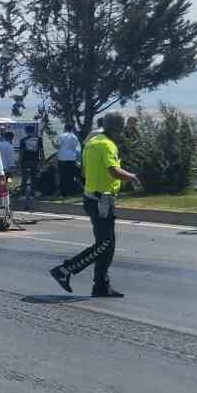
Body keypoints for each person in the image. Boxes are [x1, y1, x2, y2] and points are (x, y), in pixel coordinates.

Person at [50, 114, 140, 298]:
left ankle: (101, 285)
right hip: (100, 200)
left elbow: (84, 170)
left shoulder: (92, 141)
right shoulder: (106, 144)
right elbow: (113, 171)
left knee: (108, 244)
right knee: (105, 243)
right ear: (117, 128)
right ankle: (65, 270)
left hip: (95, 198)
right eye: (122, 128)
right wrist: (132, 177)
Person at [54, 122, 82, 197]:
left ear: (65, 128)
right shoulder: (75, 137)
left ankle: (63, 193)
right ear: (72, 129)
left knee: (63, 176)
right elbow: (75, 147)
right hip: (72, 158)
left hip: (62, 158)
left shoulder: (61, 136)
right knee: (70, 176)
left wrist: (53, 143)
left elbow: (57, 147)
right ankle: (71, 192)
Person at [18, 125, 42, 202]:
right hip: (35, 161)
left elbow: (21, 152)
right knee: (33, 178)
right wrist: (42, 160)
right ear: (33, 131)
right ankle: (32, 194)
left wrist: (19, 161)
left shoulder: (23, 140)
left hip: (25, 161)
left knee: (24, 178)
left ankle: (22, 195)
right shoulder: (39, 139)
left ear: (26, 131)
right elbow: (41, 151)